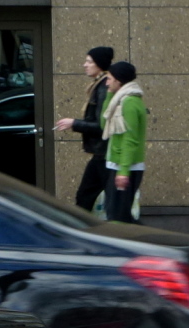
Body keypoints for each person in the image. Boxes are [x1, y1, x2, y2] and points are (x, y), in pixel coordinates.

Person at [54, 46, 114, 211]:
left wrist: (74, 123)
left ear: (99, 64)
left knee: (89, 197)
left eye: (89, 61)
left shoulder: (103, 88)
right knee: (86, 196)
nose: (84, 65)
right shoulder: (99, 86)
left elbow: (102, 126)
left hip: (104, 153)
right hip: (101, 153)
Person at [100, 61, 146, 223]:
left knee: (118, 216)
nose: (107, 82)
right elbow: (104, 124)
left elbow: (130, 138)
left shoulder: (130, 102)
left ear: (119, 81)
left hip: (126, 167)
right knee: (116, 213)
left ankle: (153, 244)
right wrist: (110, 95)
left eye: (110, 79)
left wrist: (124, 171)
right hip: (117, 164)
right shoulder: (119, 100)